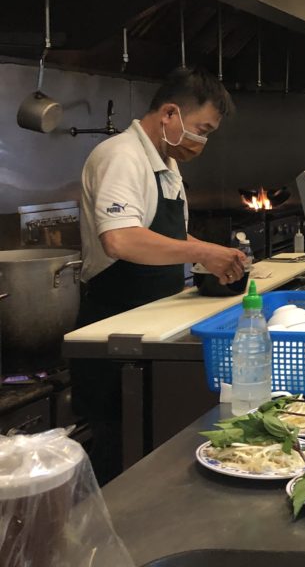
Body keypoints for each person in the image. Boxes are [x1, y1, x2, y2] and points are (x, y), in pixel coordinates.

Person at [72, 67, 247, 484]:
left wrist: (212, 259)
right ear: (170, 113)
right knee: (119, 454)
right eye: (201, 129)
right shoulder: (121, 156)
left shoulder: (165, 162)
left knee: (153, 453)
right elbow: (122, 240)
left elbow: (162, 233)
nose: (201, 142)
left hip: (153, 320)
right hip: (116, 328)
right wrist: (203, 250)